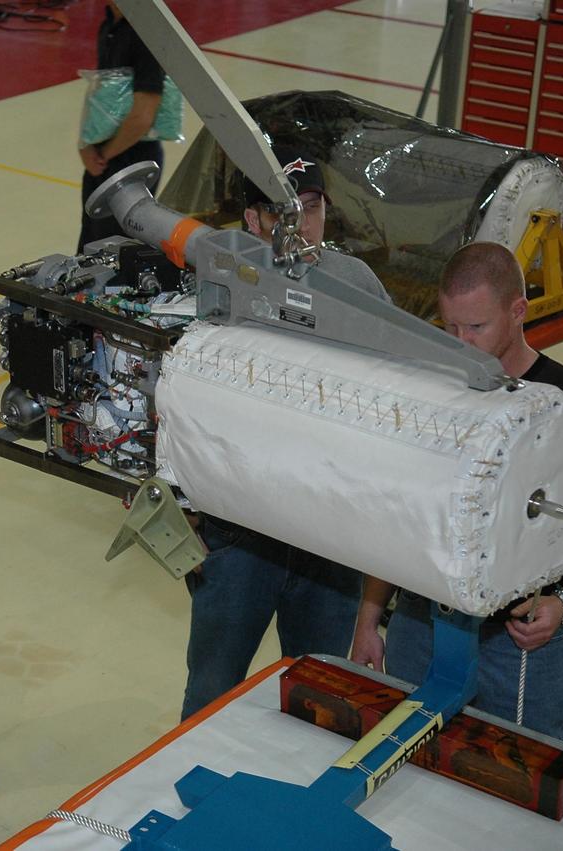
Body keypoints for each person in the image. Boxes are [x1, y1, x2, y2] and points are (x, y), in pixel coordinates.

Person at [350, 241, 563, 739]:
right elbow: (401, 514)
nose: (461, 343)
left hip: (523, 643)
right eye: (450, 327)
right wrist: (369, 618)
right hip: (421, 626)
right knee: (404, 759)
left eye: (476, 327)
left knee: (520, 773)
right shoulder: (431, 392)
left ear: (518, 311)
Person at [179, 147, 375, 722]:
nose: (302, 224)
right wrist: (182, 507)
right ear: (252, 220)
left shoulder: (357, 284)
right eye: (284, 211)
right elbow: (181, 399)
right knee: (212, 691)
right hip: (241, 534)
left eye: (311, 208)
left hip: (328, 535)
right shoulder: (218, 284)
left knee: (320, 694)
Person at [77, 0, 165, 252]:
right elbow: (102, 91)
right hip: (105, 157)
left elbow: (144, 115)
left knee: (114, 252)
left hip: (131, 160)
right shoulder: (110, 24)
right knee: (90, 245)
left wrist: (104, 153)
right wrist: (87, 145)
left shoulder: (145, 32)